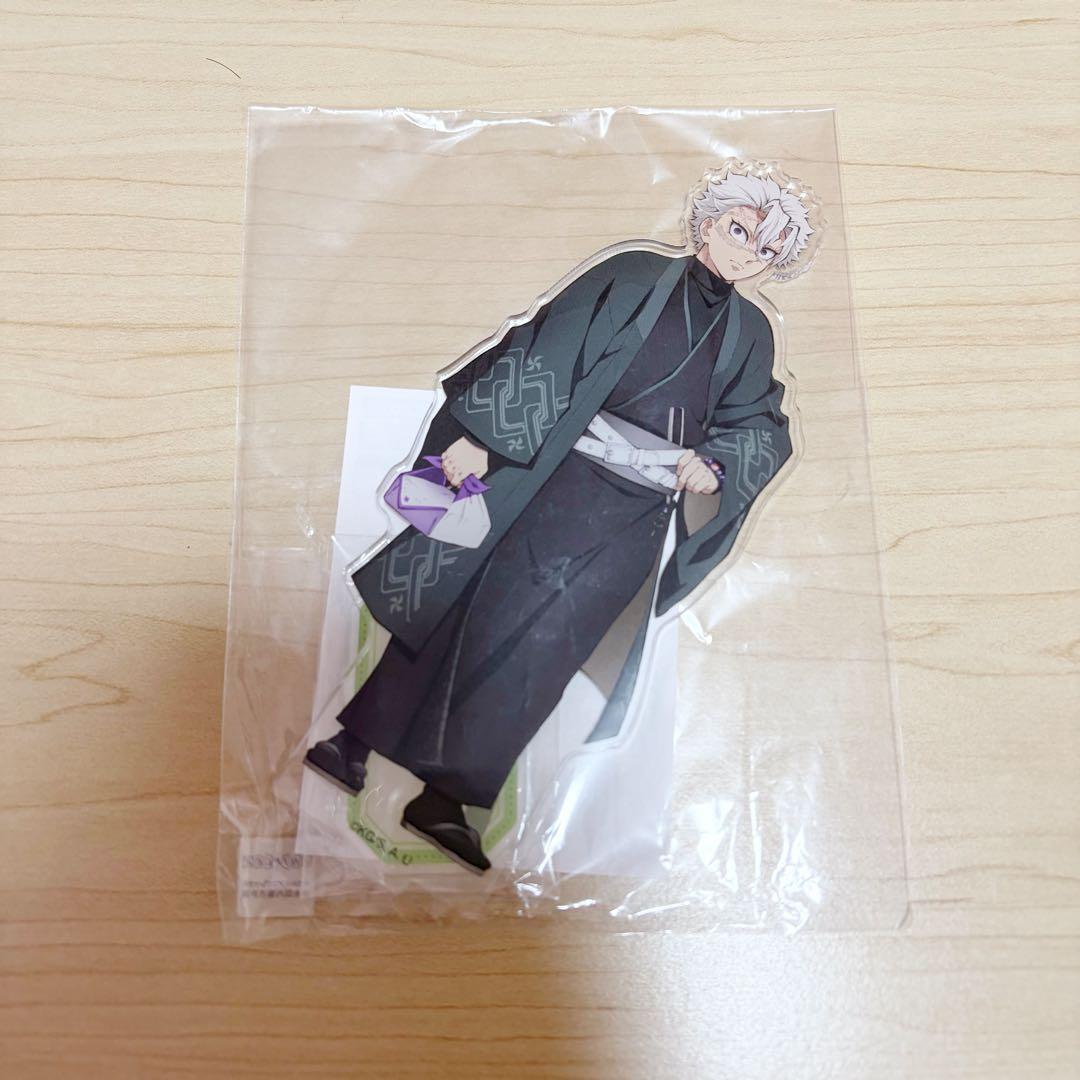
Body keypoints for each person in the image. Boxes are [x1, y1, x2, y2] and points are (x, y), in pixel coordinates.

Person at [304, 167, 813, 872]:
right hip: (554, 475)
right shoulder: (634, 274)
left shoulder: (750, 333)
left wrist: (721, 463)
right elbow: (548, 347)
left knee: (546, 653)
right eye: (739, 231)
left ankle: (448, 801)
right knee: (467, 608)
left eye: (765, 251)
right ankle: (354, 744)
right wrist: (484, 437)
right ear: (706, 222)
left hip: (637, 516)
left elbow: (757, 421)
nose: (746, 254)